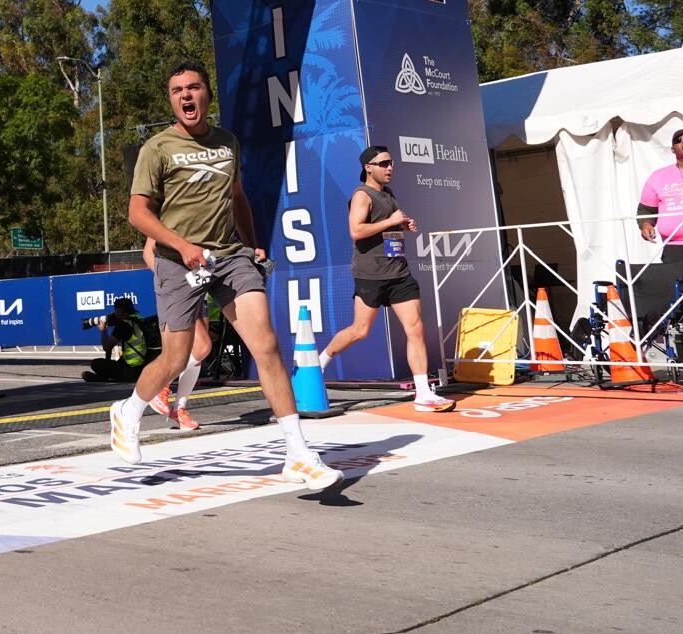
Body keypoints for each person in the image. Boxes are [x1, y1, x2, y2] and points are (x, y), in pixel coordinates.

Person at [114, 60, 341, 490]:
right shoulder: (157, 148)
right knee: (177, 357)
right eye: (177, 90)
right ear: (172, 101)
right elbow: (137, 213)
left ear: (207, 95)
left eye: (193, 87)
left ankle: (298, 454)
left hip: (229, 257)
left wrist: (252, 245)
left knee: (267, 345)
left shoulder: (227, 142)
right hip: (176, 261)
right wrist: (183, 247)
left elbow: (237, 197)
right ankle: (129, 410)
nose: (186, 95)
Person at [318, 146, 454, 413]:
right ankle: (319, 362)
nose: (390, 167)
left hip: (399, 273)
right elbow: (356, 230)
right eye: (384, 163)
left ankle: (423, 393)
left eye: (391, 163)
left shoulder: (388, 193)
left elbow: (388, 225)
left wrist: (402, 225)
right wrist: (390, 221)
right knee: (360, 330)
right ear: (368, 167)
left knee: (415, 328)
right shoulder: (362, 195)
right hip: (371, 274)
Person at [143, 237, 212, 430]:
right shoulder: (167, 220)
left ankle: (179, 409)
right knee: (203, 347)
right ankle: (160, 384)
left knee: (196, 355)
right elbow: (148, 253)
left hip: (199, 285)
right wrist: (169, 280)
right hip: (179, 289)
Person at [639, 127, 683, 246]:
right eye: (679, 140)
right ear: (672, 149)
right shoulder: (657, 176)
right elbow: (646, 210)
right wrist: (646, 224)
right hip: (674, 246)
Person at [82, 297, 150, 383]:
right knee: (117, 362)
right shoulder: (140, 319)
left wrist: (103, 331)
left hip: (131, 370)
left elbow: (107, 347)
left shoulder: (124, 325)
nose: (114, 313)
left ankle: (107, 377)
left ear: (120, 311)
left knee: (96, 363)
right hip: (146, 367)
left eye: (115, 310)